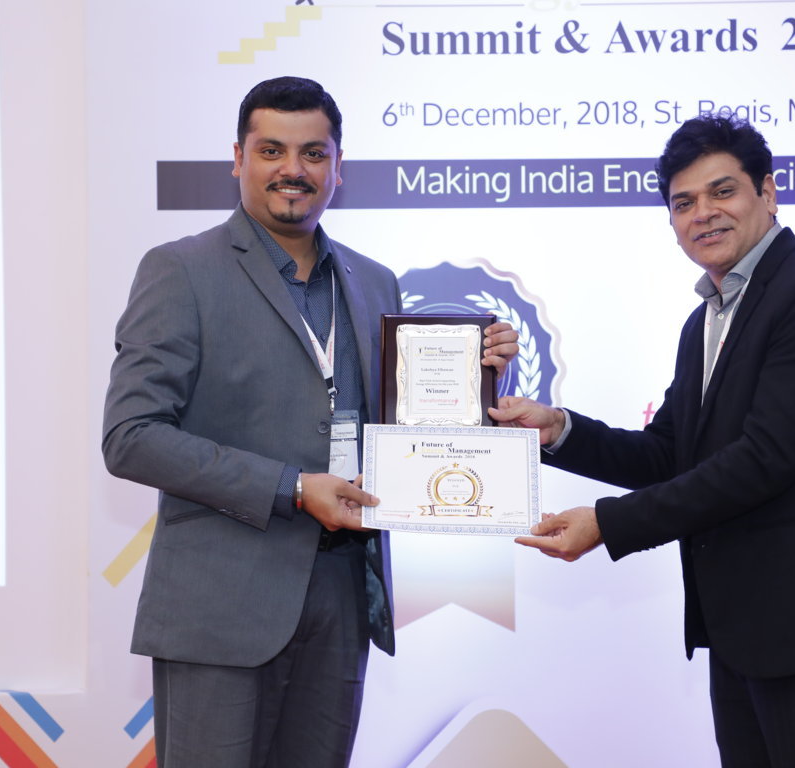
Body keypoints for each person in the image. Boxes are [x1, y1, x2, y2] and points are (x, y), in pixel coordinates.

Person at [102, 76, 518, 768]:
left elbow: (403, 432)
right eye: (272, 150)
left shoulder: (374, 281)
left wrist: (479, 380)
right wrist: (292, 488)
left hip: (343, 595)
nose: (293, 170)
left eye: (313, 154)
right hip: (222, 605)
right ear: (238, 158)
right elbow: (131, 437)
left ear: (337, 166)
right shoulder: (181, 270)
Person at [491, 114, 795, 767]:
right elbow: (668, 456)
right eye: (683, 203)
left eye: (722, 191)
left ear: (768, 191)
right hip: (738, 634)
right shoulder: (704, 320)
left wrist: (609, 523)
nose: (702, 213)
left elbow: (763, 461)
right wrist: (559, 429)